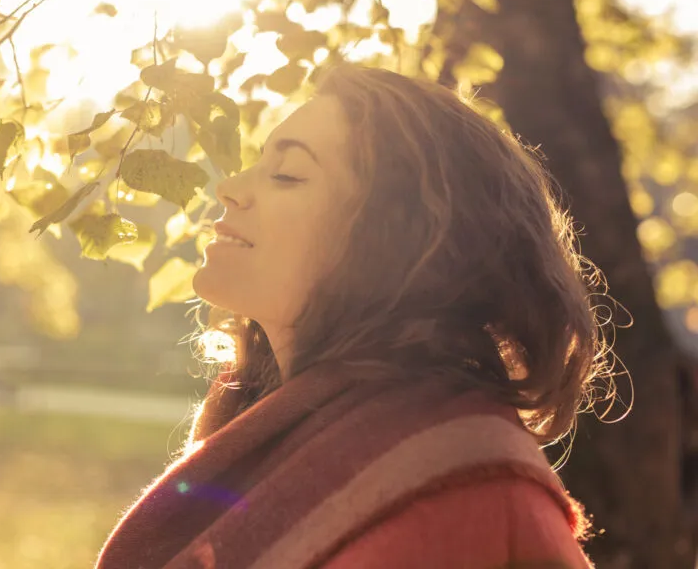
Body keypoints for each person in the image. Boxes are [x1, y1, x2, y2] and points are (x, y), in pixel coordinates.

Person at [96, 64, 613, 568]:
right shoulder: (258, 435)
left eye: (287, 173)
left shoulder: (459, 484)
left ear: (397, 239)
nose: (228, 186)